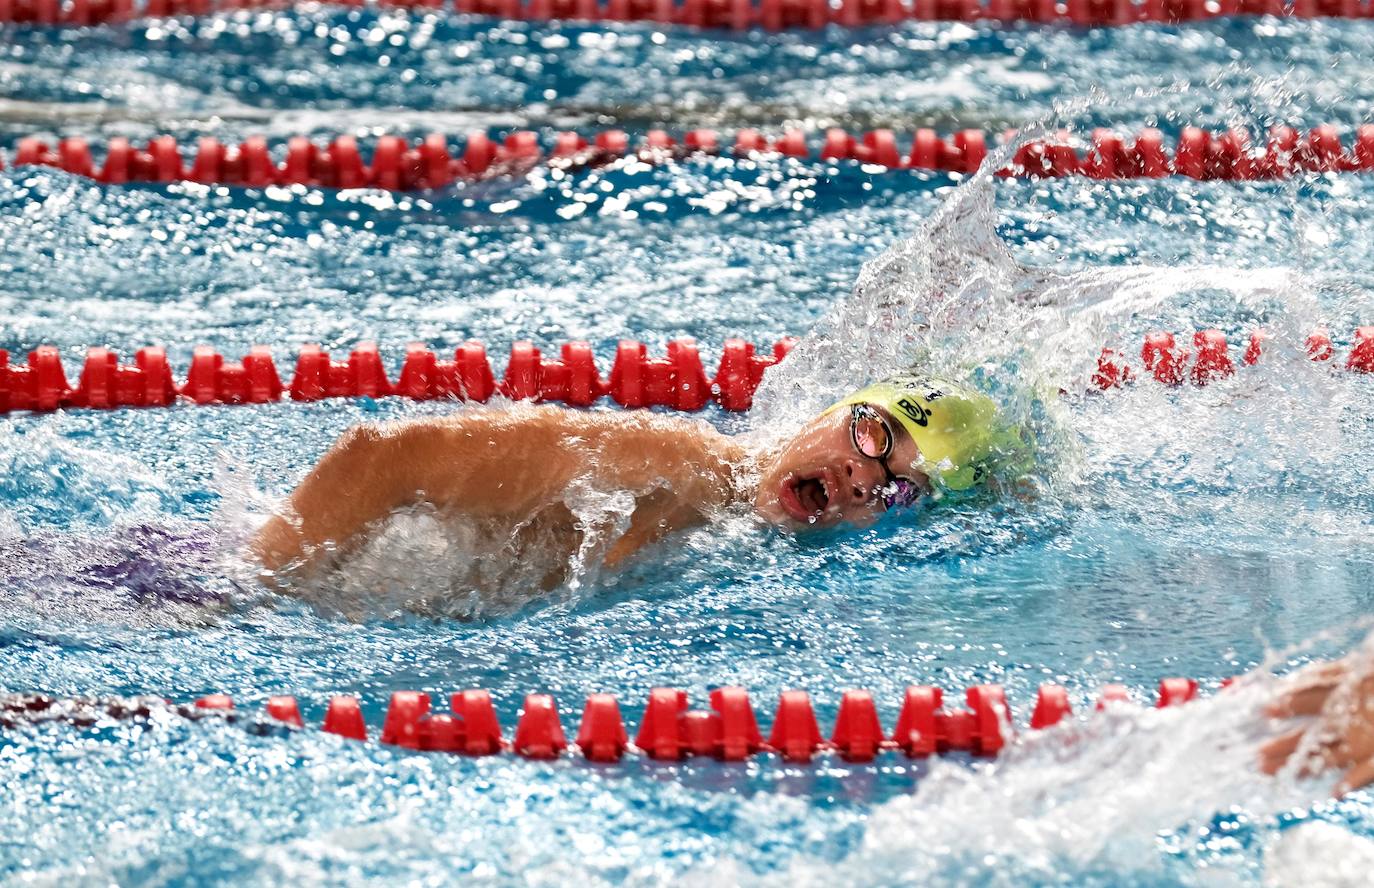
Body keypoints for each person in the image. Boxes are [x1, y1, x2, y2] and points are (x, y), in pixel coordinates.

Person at [251, 371, 1029, 577]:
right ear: (831, 412)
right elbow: (384, 456)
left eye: (896, 486)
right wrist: (255, 587)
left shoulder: (757, 548)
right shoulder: (672, 464)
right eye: (874, 434)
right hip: (246, 586)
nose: (861, 477)